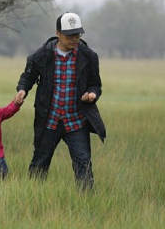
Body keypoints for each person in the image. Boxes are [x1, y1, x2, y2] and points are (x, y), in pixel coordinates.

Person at [15, 12, 106, 190]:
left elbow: (95, 84)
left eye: (77, 34)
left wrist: (92, 94)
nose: (74, 39)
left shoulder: (89, 57)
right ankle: (31, 196)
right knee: (39, 164)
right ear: (58, 33)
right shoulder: (40, 56)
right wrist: (22, 90)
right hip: (49, 121)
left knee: (83, 164)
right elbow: (27, 77)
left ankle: (86, 201)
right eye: (69, 35)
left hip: (76, 121)